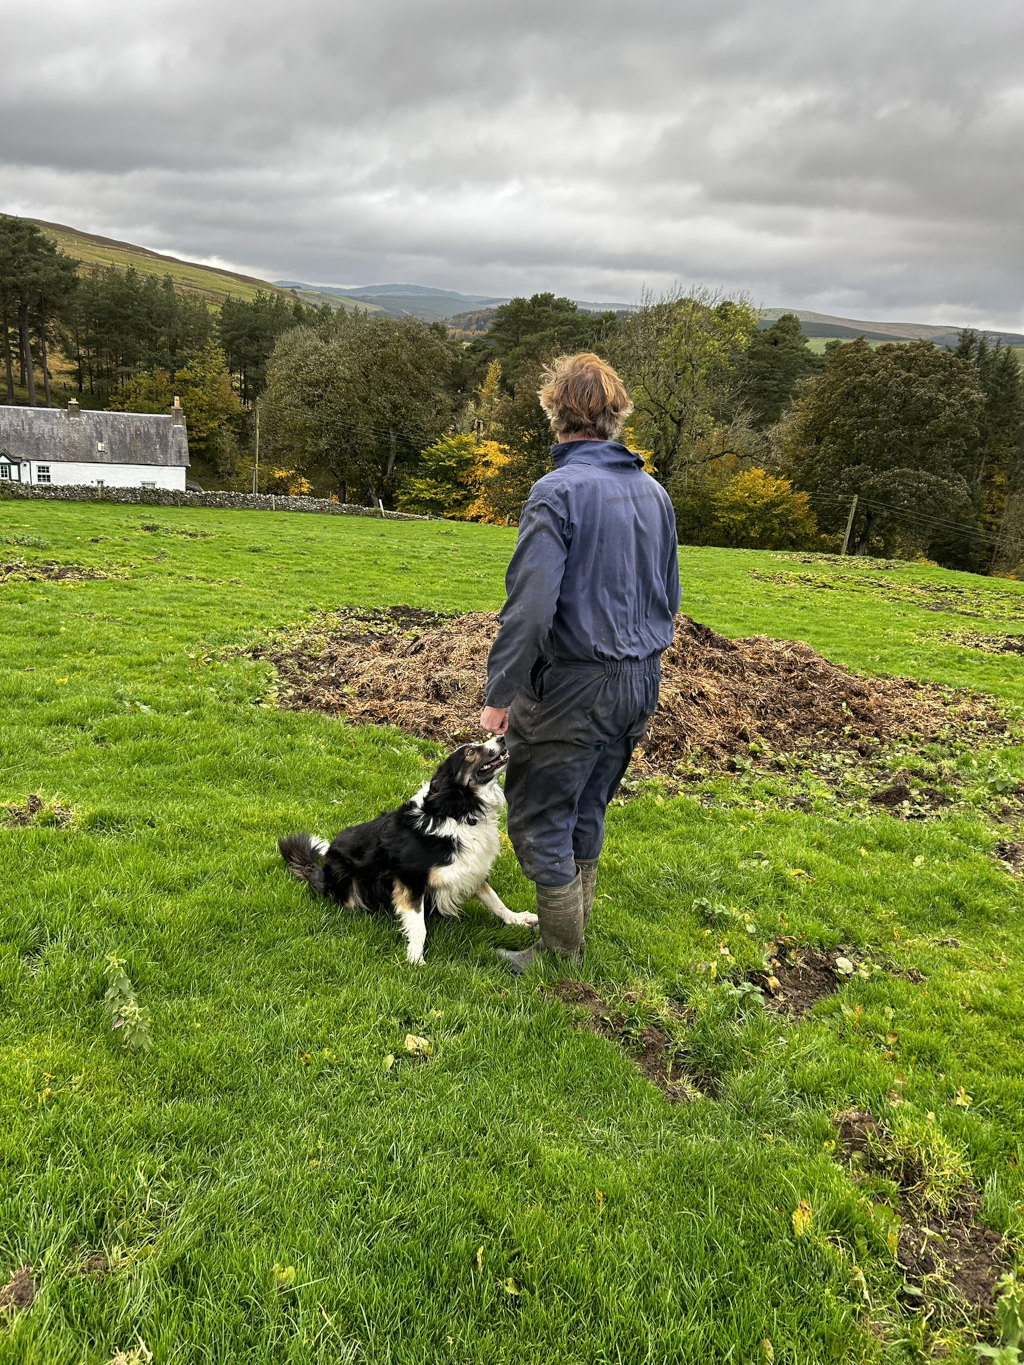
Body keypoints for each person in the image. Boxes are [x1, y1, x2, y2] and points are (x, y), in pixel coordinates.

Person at [479, 352, 680, 972]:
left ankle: (559, 949)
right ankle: (574, 936)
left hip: (573, 684)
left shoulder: (556, 491)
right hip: (642, 679)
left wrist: (498, 695)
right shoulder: (654, 492)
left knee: (541, 815)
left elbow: (530, 610)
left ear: (554, 413)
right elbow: (668, 596)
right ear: (617, 416)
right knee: (589, 803)